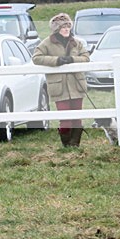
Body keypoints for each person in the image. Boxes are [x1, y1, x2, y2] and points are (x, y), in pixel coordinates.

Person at [32, 13, 91, 147]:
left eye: (68, 27)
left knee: (77, 118)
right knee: (65, 120)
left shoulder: (77, 43)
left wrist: (72, 60)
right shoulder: (46, 43)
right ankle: (66, 146)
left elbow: (86, 58)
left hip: (77, 85)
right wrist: (56, 61)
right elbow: (36, 58)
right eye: (63, 27)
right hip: (59, 87)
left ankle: (75, 146)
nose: (66, 29)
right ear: (56, 29)